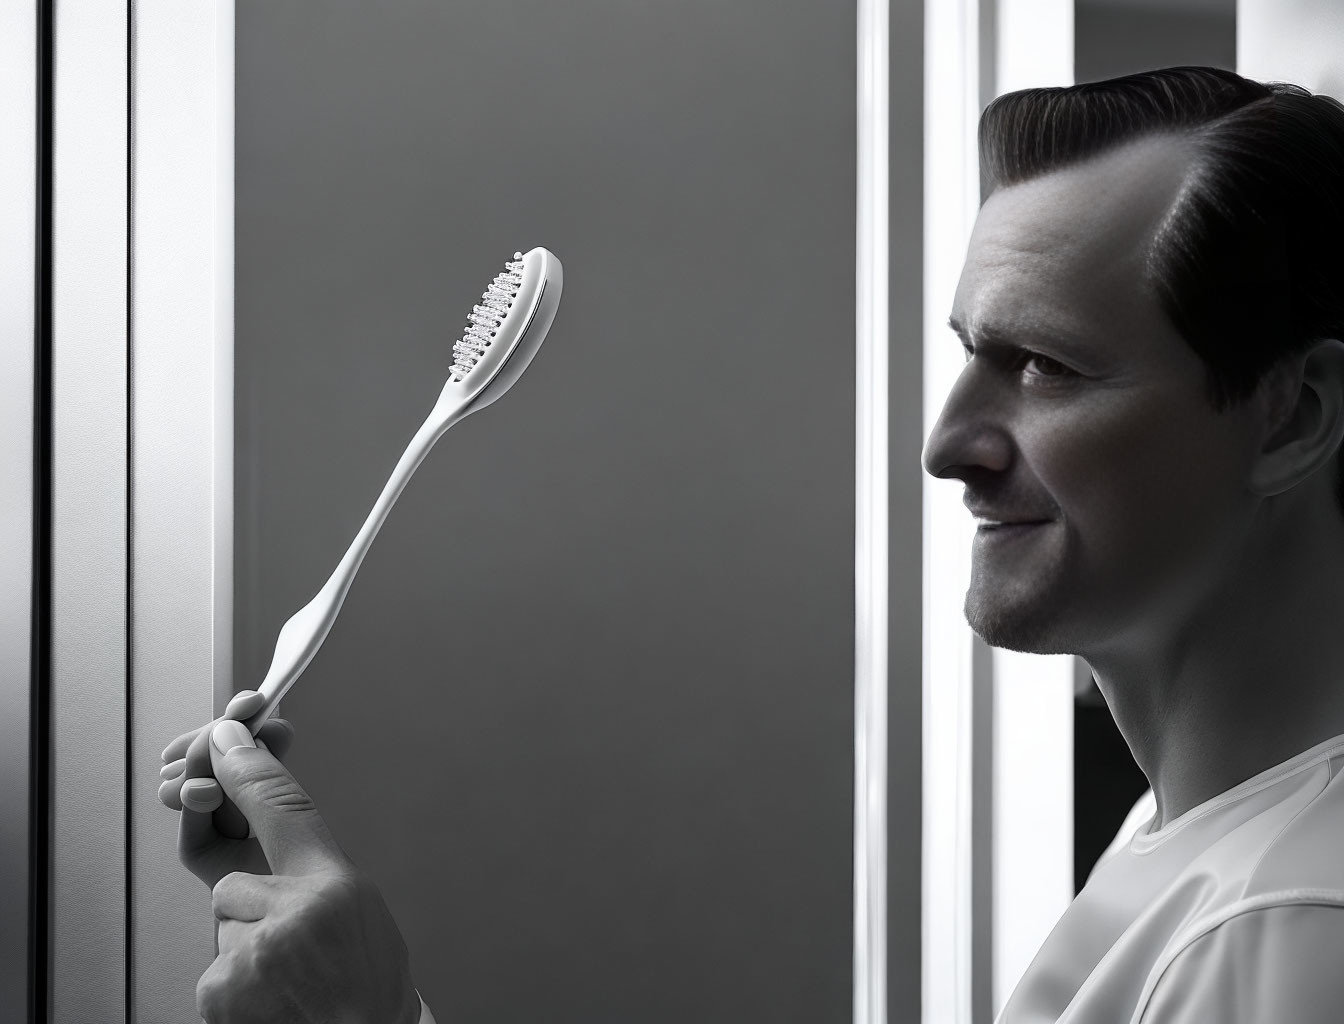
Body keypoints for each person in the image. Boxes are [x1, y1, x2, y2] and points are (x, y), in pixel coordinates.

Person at [160, 64, 1344, 1022]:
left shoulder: (1285, 925)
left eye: (1046, 365)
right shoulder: (1194, 834)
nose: (947, 443)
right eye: (968, 354)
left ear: (1293, 415)